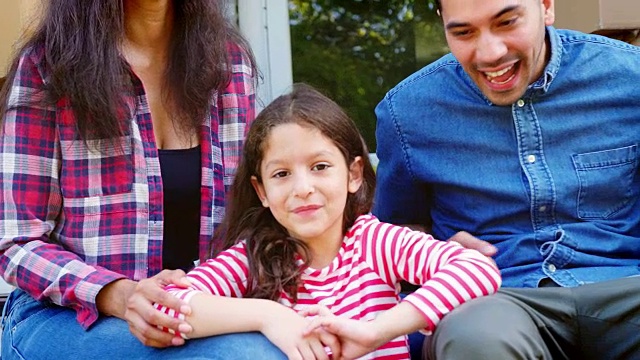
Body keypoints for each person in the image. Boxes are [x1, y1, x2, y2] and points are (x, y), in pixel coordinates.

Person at [0, 1, 286, 358]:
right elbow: (15, 241)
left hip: (202, 309)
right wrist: (118, 294)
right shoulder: (47, 66)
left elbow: (256, 213)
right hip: (64, 315)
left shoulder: (226, 62)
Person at [151, 83, 501, 360]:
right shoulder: (253, 257)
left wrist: (377, 331)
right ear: (261, 191)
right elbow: (165, 305)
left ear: (353, 174)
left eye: (320, 167)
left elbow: (475, 268)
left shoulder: (373, 243)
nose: (302, 189)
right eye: (282, 174)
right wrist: (267, 317)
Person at [373, 0, 640, 358]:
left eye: (507, 22)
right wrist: (437, 251)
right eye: (464, 32)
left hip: (624, 286)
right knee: (474, 338)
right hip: (496, 299)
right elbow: (391, 236)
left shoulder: (630, 79)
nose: (490, 53)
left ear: (546, 7)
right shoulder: (406, 113)